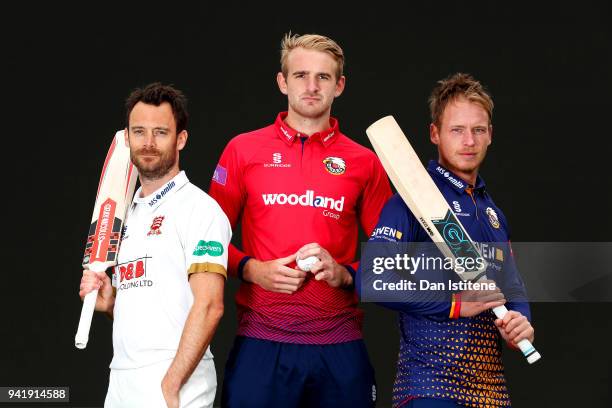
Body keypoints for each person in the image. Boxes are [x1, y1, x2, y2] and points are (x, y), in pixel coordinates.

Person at [209, 33, 392, 407]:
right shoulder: (242, 150)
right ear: (282, 82)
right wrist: (251, 269)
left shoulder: (364, 162)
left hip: (339, 344)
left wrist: (346, 273)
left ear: (339, 85)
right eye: (300, 75)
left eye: (323, 77)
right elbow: (204, 243)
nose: (311, 86)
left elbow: (393, 258)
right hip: (261, 340)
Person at [362, 73, 535, 407]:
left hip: (490, 392)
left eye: (478, 130)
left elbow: (512, 287)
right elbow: (373, 281)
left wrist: (521, 324)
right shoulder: (407, 204)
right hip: (430, 387)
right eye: (457, 130)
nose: (468, 141)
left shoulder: (493, 214)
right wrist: (453, 302)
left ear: (490, 136)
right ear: (435, 134)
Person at [79, 83, 231, 408]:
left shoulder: (199, 209)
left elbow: (210, 306)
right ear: (127, 138)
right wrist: (111, 303)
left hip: (174, 382)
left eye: (160, 132)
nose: (148, 143)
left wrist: (171, 384)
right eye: (139, 132)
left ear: (181, 139)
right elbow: (150, 305)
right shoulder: (125, 215)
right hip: (120, 380)